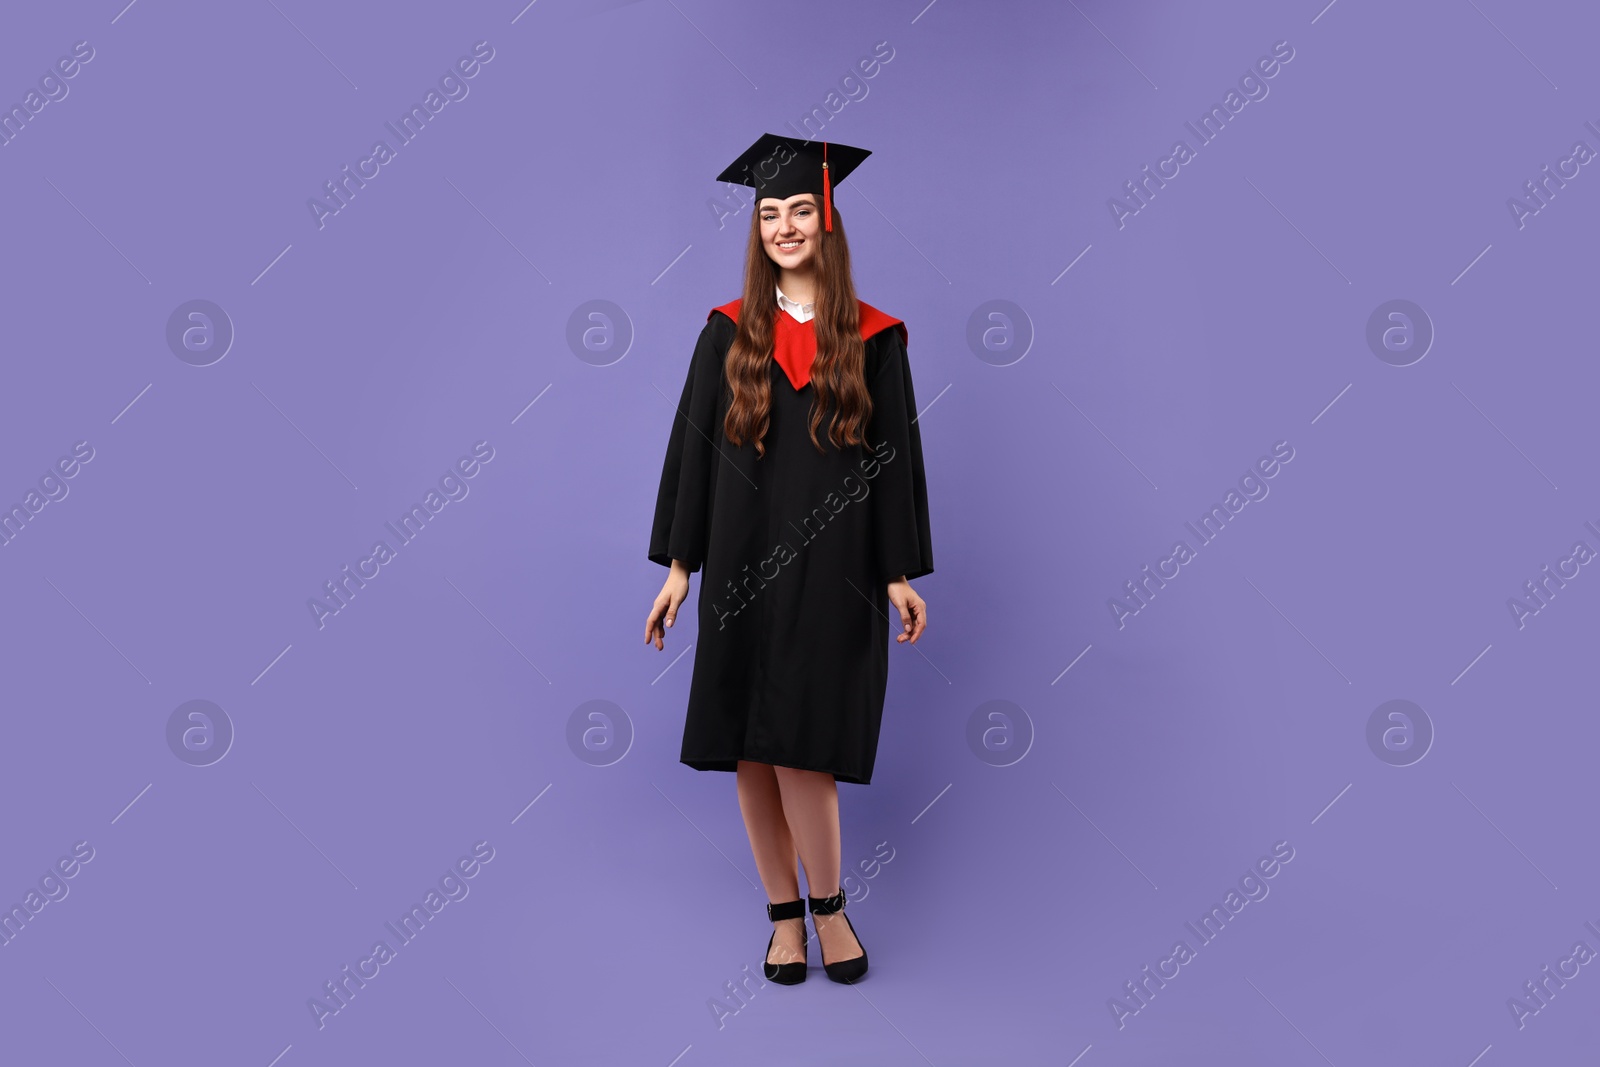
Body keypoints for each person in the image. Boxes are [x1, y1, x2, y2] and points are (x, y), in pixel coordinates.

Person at [645, 133, 933, 985]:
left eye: (800, 209)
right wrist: (678, 568)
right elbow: (691, 453)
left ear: (829, 219)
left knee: (806, 743)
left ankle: (832, 908)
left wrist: (895, 572)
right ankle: (783, 918)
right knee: (751, 744)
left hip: (836, 567)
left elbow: (895, 464)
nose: (784, 226)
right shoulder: (727, 335)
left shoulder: (875, 341)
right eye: (769, 213)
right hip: (740, 562)